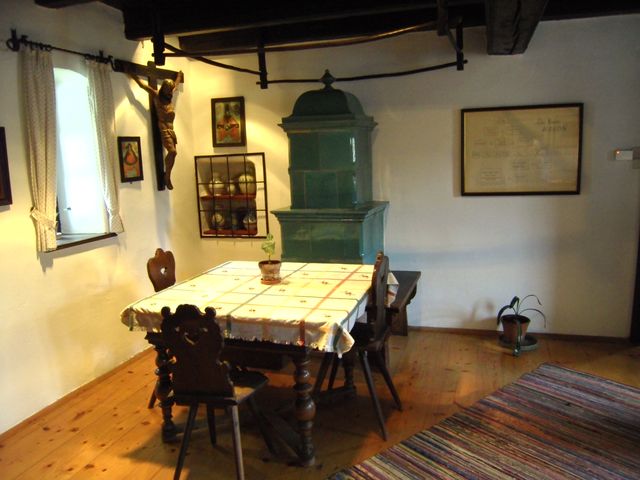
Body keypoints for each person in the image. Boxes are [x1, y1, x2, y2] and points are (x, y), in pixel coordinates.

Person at [129, 71, 183, 189]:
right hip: (163, 128)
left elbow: (176, 85)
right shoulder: (156, 95)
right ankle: (167, 177)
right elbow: (142, 85)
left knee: (174, 155)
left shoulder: (169, 96)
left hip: (171, 130)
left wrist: (179, 76)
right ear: (163, 88)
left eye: (171, 90)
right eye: (168, 90)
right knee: (172, 152)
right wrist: (131, 73)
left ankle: (167, 175)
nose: (170, 92)